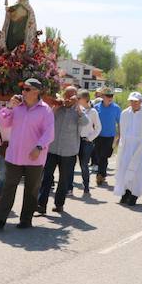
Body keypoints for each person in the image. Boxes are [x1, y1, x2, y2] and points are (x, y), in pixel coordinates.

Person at [0, 78, 55, 230]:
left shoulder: (45, 110)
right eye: (23, 89)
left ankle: (26, 220)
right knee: (8, 187)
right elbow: (4, 123)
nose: (23, 92)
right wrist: (10, 107)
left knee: (31, 189)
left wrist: (39, 147)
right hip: (15, 155)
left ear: (36, 92)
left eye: (26, 89)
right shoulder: (17, 107)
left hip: (35, 157)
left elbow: (49, 133)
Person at [36, 86, 89, 214]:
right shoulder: (56, 108)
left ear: (76, 97)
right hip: (52, 149)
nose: (68, 99)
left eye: (71, 96)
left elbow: (85, 123)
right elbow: (46, 120)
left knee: (63, 180)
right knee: (46, 178)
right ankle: (41, 205)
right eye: (66, 95)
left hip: (69, 152)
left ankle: (59, 204)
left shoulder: (79, 110)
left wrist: (77, 107)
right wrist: (57, 106)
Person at [114, 92, 142, 206]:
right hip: (126, 145)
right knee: (124, 167)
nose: (133, 103)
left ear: (141, 102)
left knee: (138, 170)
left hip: (140, 145)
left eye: (136, 101)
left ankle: (134, 194)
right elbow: (122, 129)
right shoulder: (125, 113)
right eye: (131, 101)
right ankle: (125, 192)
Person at [71, 89, 101, 196]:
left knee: (84, 164)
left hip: (86, 142)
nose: (77, 100)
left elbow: (98, 128)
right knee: (71, 163)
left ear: (85, 99)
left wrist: (90, 138)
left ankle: (86, 186)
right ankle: (69, 187)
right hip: (75, 140)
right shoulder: (78, 109)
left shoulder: (93, 112)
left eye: (79, 98)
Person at [93, 87, 121, 186]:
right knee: (98, 155)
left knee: (104, 156)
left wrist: (119, 136)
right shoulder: (96, 107)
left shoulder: (116, 108)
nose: (110, 98)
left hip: (110, 137)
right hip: (98, 135)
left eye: (111, 96)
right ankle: (102, 174)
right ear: (102, 96)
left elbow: (120, 122)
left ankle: (100, 174)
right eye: (108, 96)